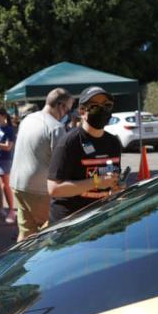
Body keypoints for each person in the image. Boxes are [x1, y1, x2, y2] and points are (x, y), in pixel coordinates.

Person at [47, 86, 122, 225]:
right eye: (94, 106)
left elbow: (113, 182)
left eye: (107, 105)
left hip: (100, 218)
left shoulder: (114, 143)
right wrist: (97, 181)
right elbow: (54, 189)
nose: (102, 110)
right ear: (82, 111)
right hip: (69, 223)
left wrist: (117, 187)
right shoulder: (69, 143)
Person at [10, 88, 73, 241]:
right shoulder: (55, 128)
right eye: (68, 109)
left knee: (26, 233)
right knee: (49, 234)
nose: (67, 114)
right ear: (60, 105)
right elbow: (63, 165)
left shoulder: (28, 119)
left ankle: (20, 263)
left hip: (18, 184)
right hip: (38, 190)